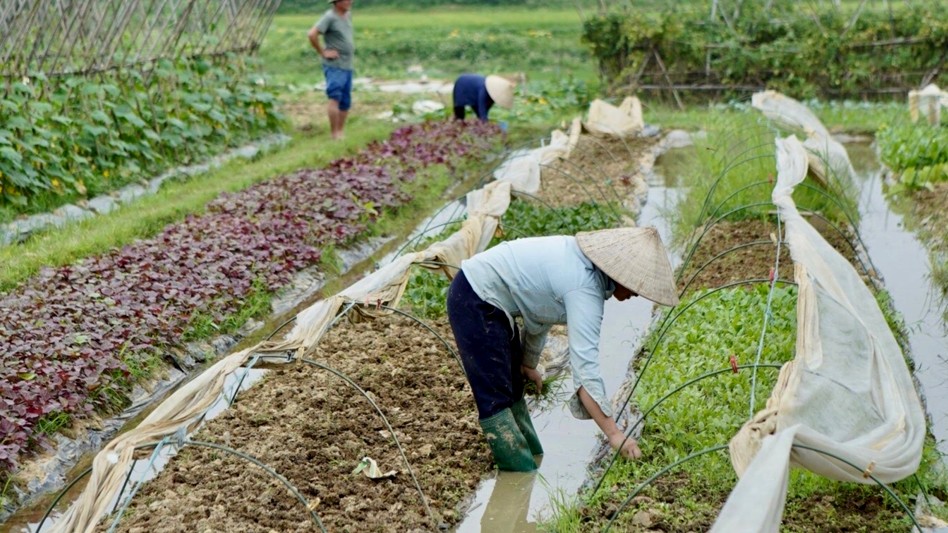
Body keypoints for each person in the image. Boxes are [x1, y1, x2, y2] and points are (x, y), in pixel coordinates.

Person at [446, 227, 679, 471]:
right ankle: (519, 474)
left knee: (514, 386)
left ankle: (533, 459)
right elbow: (585, 372)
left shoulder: (577, 264)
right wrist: (614, 434)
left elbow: (540, 313)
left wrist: (527, 363)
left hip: (494, 300)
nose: (636, 293)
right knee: (495, 398)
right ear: (619, 274)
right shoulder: (583, 288)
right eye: (635, 285)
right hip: (474, 297)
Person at [308, 0, 355, 140]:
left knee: (346, 100)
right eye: (346, 0)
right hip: (335, 65)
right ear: (336, 2)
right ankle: (334, 133)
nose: (349, 2)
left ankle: (340, 132)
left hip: (347, 64)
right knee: (335, 96)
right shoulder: (329, 17)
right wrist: (322, 52)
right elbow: (312, 34)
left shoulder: (348, 15)